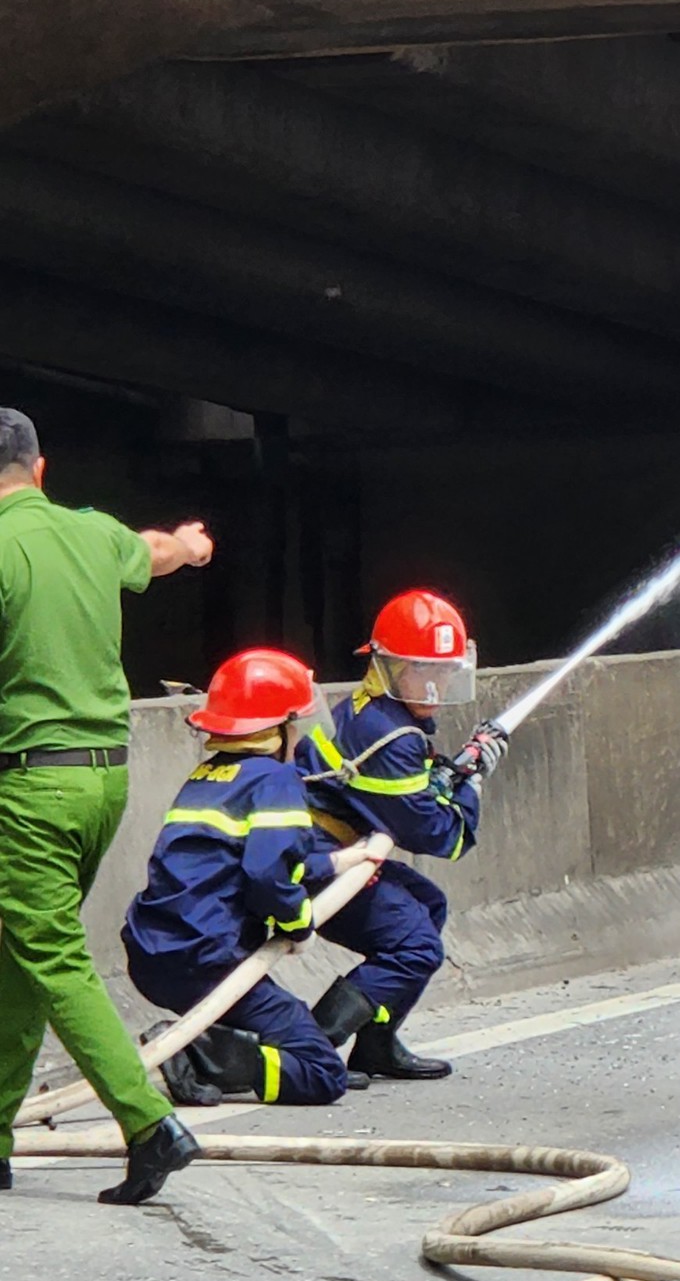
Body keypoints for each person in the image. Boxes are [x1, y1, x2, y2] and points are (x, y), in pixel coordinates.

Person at [0, 407, 215, 1205]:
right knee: (21, 953)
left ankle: (150, 1122)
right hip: (105, 782)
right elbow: (154, 552)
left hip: (30, 784)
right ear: (41, 469)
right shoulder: (90, 533)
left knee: (50, 955)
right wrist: (190, 547)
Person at [123, 649, 388, 1107]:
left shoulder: (209, 776)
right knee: (323, 1072)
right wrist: (297, 923)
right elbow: (267, 876)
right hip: (209, 958)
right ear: (278, 728)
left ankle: (202, 1045)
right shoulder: (275, 780)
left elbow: (246, 862)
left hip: (156, 953)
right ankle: (203, 1053)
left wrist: (342, 862)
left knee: (288, 1027)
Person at [295, 589, 505, 1081]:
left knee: (427, 906)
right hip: (316, 860)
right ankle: (311, 1049)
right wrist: (472, 783)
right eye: (424, 670)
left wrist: (451, 772)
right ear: (387, 666)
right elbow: (440, 836)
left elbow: (407, 796)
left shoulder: (380, 714)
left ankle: (376, 1042)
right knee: (417, 947)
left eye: (445, 671)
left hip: (330, 847)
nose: (437, 684)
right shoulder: (389, 735)